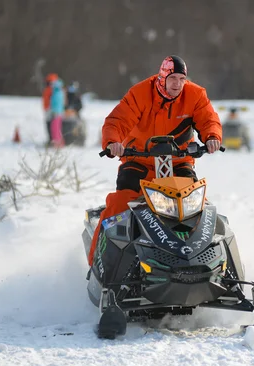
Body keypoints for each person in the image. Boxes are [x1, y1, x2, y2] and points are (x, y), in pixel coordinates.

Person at [87, 55, 222, 266]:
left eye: (181, 78)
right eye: (173, 78)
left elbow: (209, 119)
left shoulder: (195, 95)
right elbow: (117, 121)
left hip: (178, 162)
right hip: (139, 161)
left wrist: (212, 137)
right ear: (162, 77)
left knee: (198, 209)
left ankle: (213, 265)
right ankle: (97, 262)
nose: (177, 84)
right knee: (121, 204)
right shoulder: (140, 94)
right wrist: (113, 141)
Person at [42, 73, 59, 144]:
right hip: (47, 109)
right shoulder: (48, 89)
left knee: (51, 125)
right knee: (49, 124)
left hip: (50, 109)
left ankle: (52, 139)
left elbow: (53, 100)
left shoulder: (53, 90)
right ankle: (51, 139)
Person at [49, 79, 66, 147]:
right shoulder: (60, 93)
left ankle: (57, 142)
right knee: (57, 128)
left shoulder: (57, 93)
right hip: (59, 113)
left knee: (55, 128)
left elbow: (55, 104)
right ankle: (59, 142)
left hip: (56, 113)